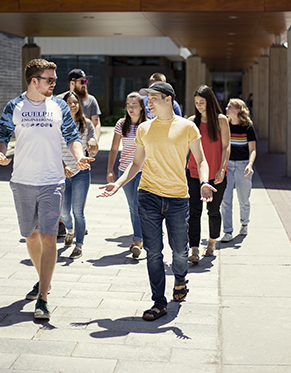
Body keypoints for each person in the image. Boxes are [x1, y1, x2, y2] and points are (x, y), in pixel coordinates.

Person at [98, 82, 216, 321]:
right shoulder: (144, 129)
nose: (148, 103)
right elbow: (136, 163)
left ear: (168, 99)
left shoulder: (187, 127)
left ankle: (180, 280)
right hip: (148, 194)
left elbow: (201, 160)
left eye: (153, 98)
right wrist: (118, 183)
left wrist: (204, 181)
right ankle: (159, 303)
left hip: (177, 197)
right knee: (153, 252)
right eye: (147, 99)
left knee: (180, 252)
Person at [0, 59, 94, 319]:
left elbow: (72, 136)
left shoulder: (59, 105)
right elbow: (2, 135)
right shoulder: (15, 105)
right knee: (31, 235)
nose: (53, 84)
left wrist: (78, 156)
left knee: (49, 237)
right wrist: (1, 153)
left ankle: (43, 297)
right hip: (23, 181)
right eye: (49, 80)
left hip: (52, 181)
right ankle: (43, 280)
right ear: (33, 81)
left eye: (54, 79)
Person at [186, 85, 230, 263]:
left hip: (217, 174)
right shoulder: (191, 122)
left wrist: (222, 168)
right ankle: (194, 248)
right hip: (194, 174)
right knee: (194, 211)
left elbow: (226, 146)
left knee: (213, 211)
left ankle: (211, 243)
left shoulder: (221, 120)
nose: (198, 106)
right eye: (196, 103)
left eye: (202, 102)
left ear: (210, 102)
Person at [106, 92, 146, 258]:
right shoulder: (121, 124)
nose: (130, 108)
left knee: (139, 204)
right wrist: (110, 169)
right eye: (128, 105)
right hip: (125, 171)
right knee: (132, 206)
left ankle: (138, 240)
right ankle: (140, 237)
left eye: (134, 105)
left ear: (141, 107)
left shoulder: (148, 125)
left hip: (144, 170)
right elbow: (114, 148)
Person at [61, 91, 98, 259]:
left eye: (75, 102)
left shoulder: (87, 124)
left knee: (78, 211)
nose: (73, 105)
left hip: (81, 173)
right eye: (69, 102)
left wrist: (93, 144)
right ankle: (69, 230)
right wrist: (62, 167)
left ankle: (79, 245)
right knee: (63, 212)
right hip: (63, 172)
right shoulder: (57, 124)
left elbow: (94, 147)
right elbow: (52, 150)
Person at [221, 98, 257, 242]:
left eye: (230, 106)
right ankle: (228, 231)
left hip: (243, 166)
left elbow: (253, 149)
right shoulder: (225, 126)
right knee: (226, 200)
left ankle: (244, 223)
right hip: (228, 165)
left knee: (244, 199)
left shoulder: (248, 127)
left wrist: (250, 164)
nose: (226, 108)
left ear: (238, 110)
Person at [58, 68, 101, 141]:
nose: (84, 84)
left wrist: (95, 140)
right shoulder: (59, 100)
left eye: (85, 81)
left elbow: (96, 123)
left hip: (85, 145)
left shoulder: (91, 100)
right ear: (72, 83)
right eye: (82, 82)